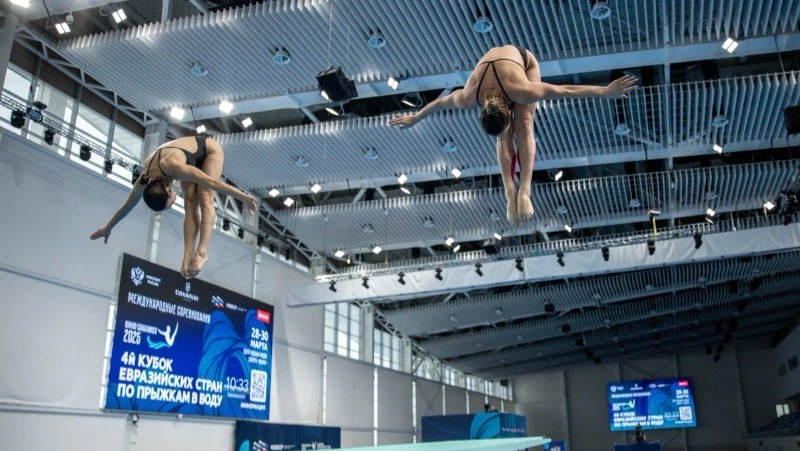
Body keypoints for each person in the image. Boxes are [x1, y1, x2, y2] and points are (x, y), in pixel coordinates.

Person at [389, 45, 638, 223]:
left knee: (525, 124)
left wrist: (604, 91)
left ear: (506, 111)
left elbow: (565, 90)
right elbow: (440, 103)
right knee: (503, 135)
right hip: (494, 70)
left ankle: (524, 191)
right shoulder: (468, 96)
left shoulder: (522, 90)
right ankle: (510, 192)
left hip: (523, 61)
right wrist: (415, 117)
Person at [90, 136, 257, 278]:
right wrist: (108, 227)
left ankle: (201, 252)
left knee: (205, 197)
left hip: (208, 150)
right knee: (189, 202)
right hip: (185, 160)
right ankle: (187, 255)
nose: (170, 207)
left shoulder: (173, 167)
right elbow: (128, 205)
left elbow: (212, 183)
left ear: (167, 189)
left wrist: (242, 196)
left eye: (168, 204)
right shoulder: (144, 181)